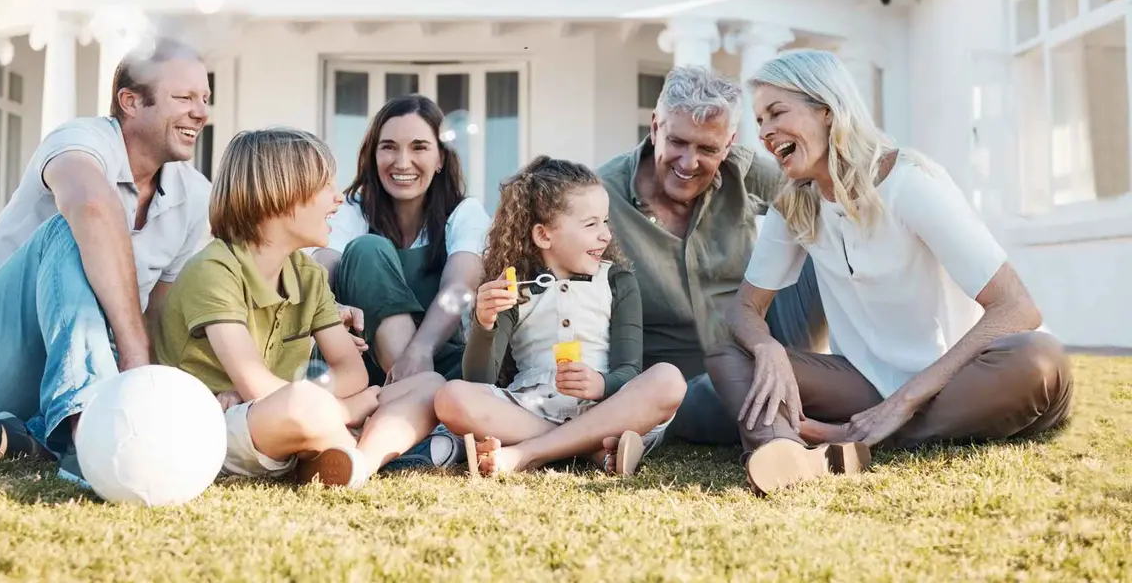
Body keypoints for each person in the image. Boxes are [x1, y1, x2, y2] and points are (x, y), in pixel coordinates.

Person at [707, 49, 1073, 495]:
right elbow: (745, 306)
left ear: (827, 110)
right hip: (864, 384)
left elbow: (1017, 308)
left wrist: (903, 403)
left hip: (959, 378)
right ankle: (785, 451)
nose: (763, 132)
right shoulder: (796, 202)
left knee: (1039, 359)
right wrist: (767, 348)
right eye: (760, 119)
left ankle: (844, 440)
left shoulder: (910, 183)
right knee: (730, 355)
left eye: (776, 113)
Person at [0, 37, 213, 483]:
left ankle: (24, 439)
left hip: (48, 384)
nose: (201, 112)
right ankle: (87, 440)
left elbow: (159, 313)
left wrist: (155, 392)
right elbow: (92, 208)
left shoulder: (194, 196)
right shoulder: (79, 140)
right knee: (72, 226)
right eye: (184, 97)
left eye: (205, 99)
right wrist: (133, 357)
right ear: (131, 101)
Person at [155, 127, 445, 487]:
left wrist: (341, 400)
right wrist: (347, 408)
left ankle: (355, 463)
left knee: (430, 385)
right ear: (280, 195)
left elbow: (353, 373)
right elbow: (255, 384)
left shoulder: (306, 274)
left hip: (284, 413)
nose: (338, 199)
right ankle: (347, 440)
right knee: (302, 404)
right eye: (326, 187)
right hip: (211, 426)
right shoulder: (214, 270)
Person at [597, 65, 825, 446]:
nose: (689, 163)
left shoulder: (745, 172)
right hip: (677, 384)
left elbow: (828, 196)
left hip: (765, 348)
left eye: (707, 149)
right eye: (678, 142)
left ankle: (824, 387)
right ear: (655, 128)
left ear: (729, 143)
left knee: (824, 224)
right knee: (709, 398)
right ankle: (795, 417)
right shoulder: (601, 196)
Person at [434, 156, 686, 476]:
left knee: (668, 380)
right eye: (591, 224)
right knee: (451, 397)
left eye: (605, 222)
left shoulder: (617, 280)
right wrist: (484, 324)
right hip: (532, 410)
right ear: (544, 235)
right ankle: (590, 449)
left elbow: (629, 370)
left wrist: (601, 384)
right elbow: (479, 381)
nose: (606, 235)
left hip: (608, 411)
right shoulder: (515, 288)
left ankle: (529, 453)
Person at [311, 94, 491, 388]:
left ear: (440, 158)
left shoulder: (464, 213)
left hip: (437, 364)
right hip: (361, 366)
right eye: (389, 148)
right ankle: (411, 394)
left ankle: (414, 393)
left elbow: (458, 286)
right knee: (369, 248)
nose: (402, 162)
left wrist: (420, 350)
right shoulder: (352, 209)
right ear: (374, 155)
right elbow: (322, 268)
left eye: (419, 147)